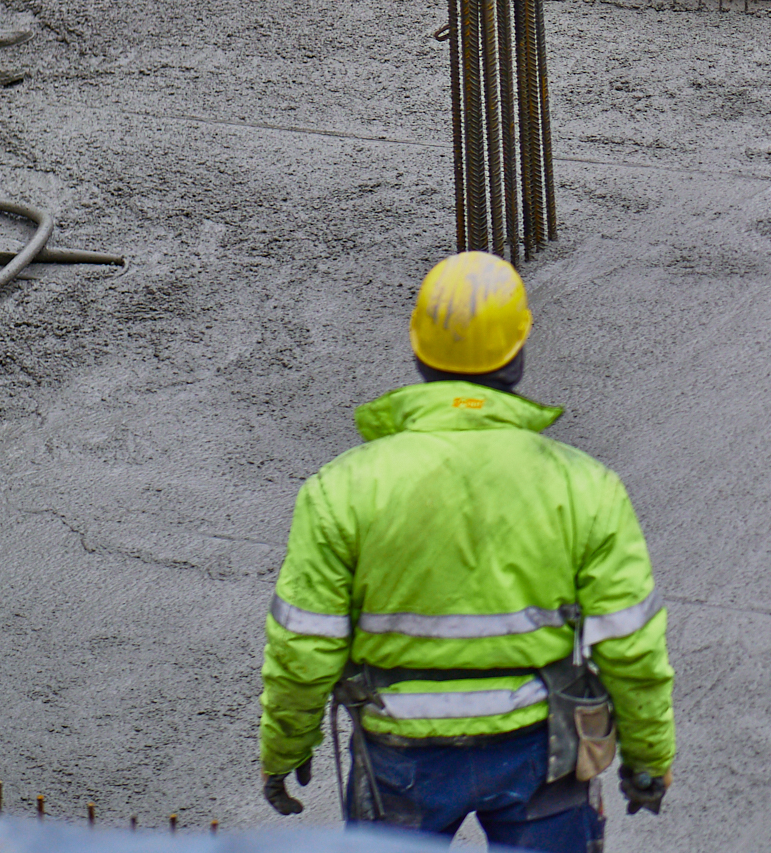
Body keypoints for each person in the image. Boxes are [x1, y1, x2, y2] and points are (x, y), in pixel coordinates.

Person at [258, 252, 674, 850]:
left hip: (398, 757)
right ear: (518, 350)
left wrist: (286, 747)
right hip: (542, 752)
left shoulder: (342, 488)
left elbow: (304, 645)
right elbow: (631, 646)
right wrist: (648, 756)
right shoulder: (584, 487)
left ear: (418, 349)